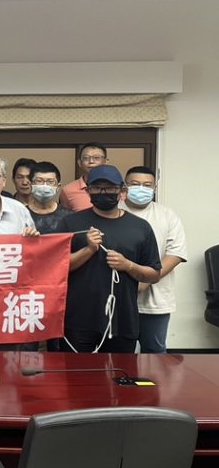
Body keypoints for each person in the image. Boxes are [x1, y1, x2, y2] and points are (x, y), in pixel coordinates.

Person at [56, 165, 161, 353]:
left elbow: (153, 274)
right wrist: (89, 250)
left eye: (110, 188)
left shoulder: (140, 227)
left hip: (122, 319)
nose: (103, 193)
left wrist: (128, 265)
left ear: (122, 191)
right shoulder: (70, 223)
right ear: (88, 191)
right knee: (76, 371)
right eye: (97, 188)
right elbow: (57, 269)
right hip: (78, 320)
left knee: (120, 371)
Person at [121, 166, 188, 353]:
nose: (141, 188)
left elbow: (176, 254)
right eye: (135, 184)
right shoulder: (113, 212)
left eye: (147, 185)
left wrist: (147, 278)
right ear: (124, 187)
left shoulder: (167, 215)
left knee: (155, 353)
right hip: (118, 297)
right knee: (118, 354)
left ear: (154, 188)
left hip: (155, 300)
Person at [26, 161, 71, 234]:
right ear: (30, 185)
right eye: (39, 181)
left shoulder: (68, 216)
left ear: (58, 187)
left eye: (50, 181)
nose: (45, 185)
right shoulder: (21, 214)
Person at [60, 142, 108, 211]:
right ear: (79, 163)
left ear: (105, 161)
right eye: (86, 158)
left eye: (97, 158)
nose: (91, 161)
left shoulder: (115, 188)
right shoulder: (67, 190)